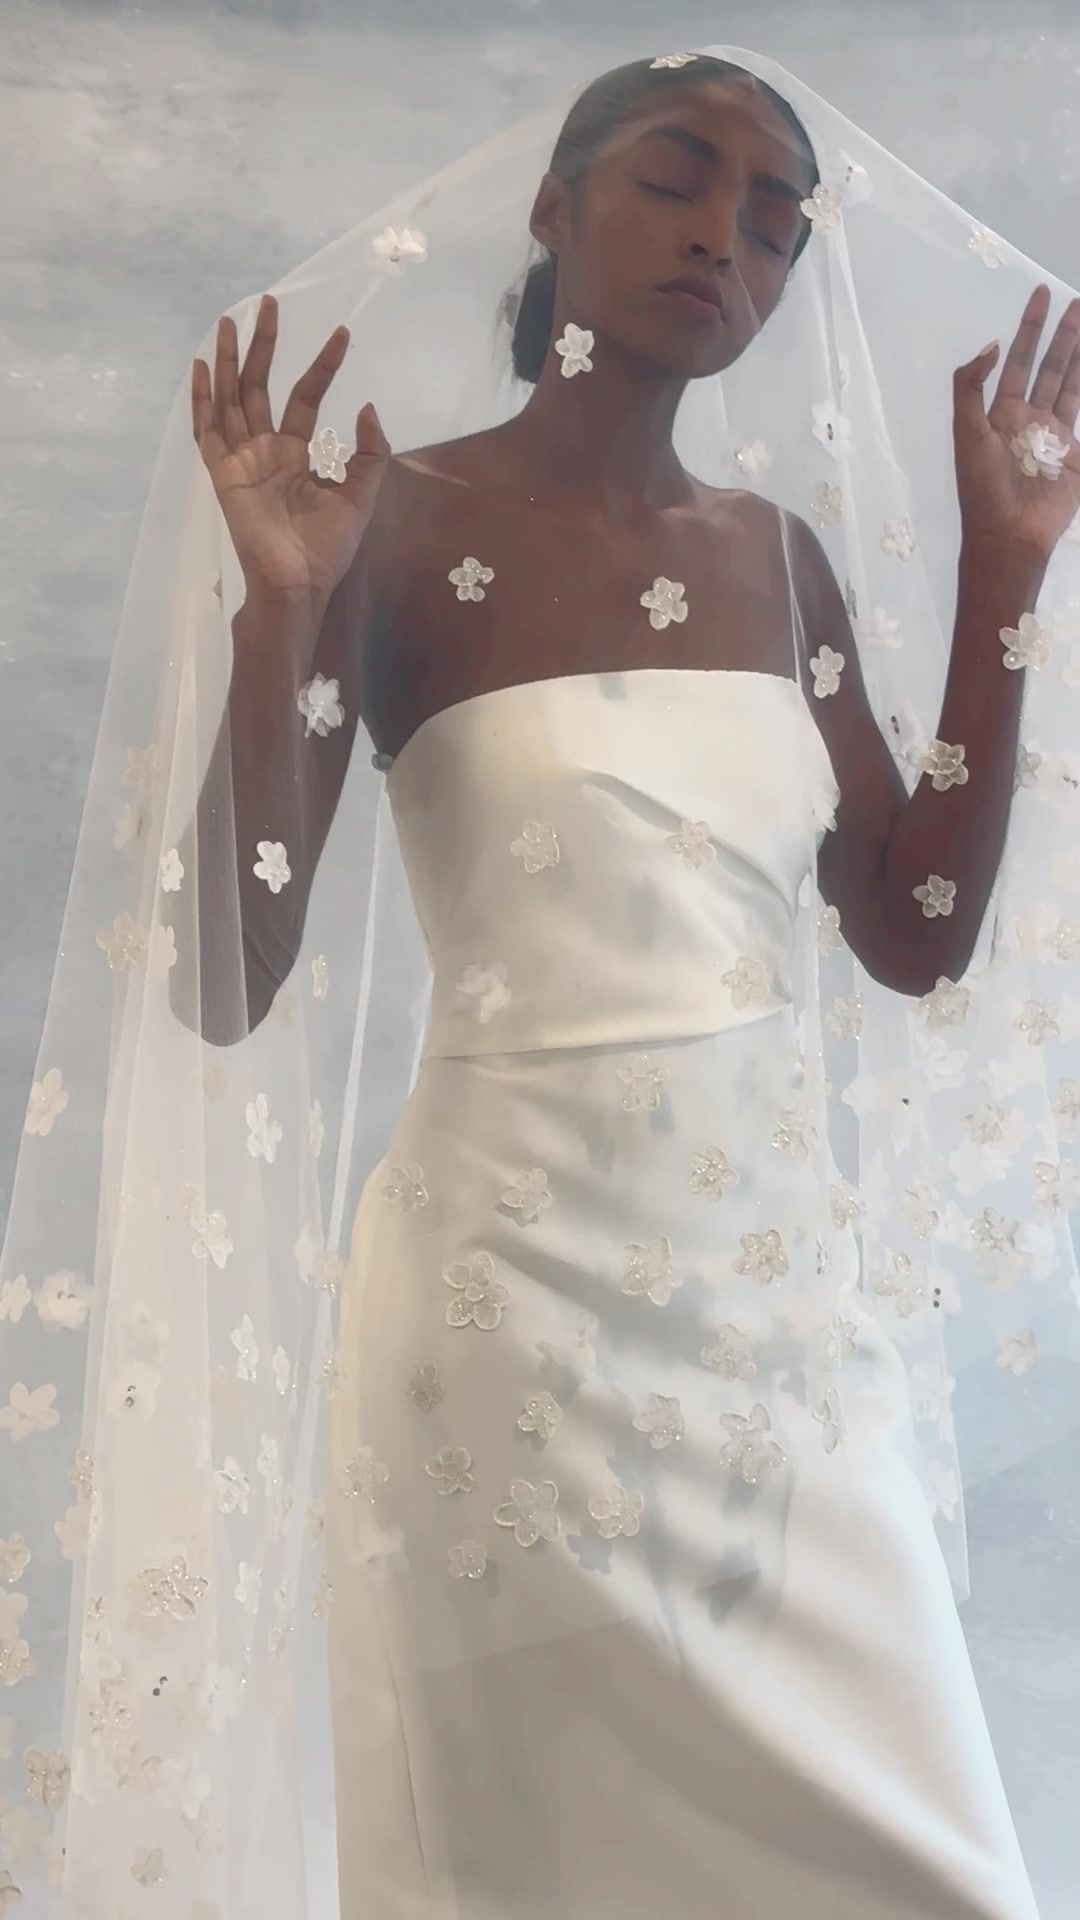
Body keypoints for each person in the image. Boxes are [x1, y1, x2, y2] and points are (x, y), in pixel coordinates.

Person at [3, 44, 1079, 1920]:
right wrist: (284, 609)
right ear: (551, 207)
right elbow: (224, 979)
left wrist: (1004, 579)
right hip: (503, 1328)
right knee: (532, 1870)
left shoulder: (779, 564)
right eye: (675, 178)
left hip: (776, 1336)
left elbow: (910, 931)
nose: (724, 239)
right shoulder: (391, 530)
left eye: (775, 222)